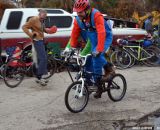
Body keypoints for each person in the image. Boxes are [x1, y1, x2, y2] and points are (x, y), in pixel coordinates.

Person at [70, 0, 115, 98]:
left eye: (80, 12)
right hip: (93, 39)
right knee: (88, 61)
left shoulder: (96, 15)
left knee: (96, 57)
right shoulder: (78, 20)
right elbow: (74, 34)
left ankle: (110, 69)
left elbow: (102, 32)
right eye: (77, 12)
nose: (78, 14)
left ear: (87, 10)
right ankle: (97, 86)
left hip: (105, 37)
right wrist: (70, 48)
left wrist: (99, 49)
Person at [22, 9, 57, 86]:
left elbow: (42, 29)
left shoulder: (41, 21)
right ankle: (39, 77)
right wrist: (31, 35)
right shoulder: (34, 19)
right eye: (43, 16)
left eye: (45, 17)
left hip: (41, 40)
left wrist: (50, 30)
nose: (44, 18)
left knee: (39, 59)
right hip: (37, 41)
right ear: (39, 14)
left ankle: (38, 76)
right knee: (43, 58)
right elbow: (24, 27)